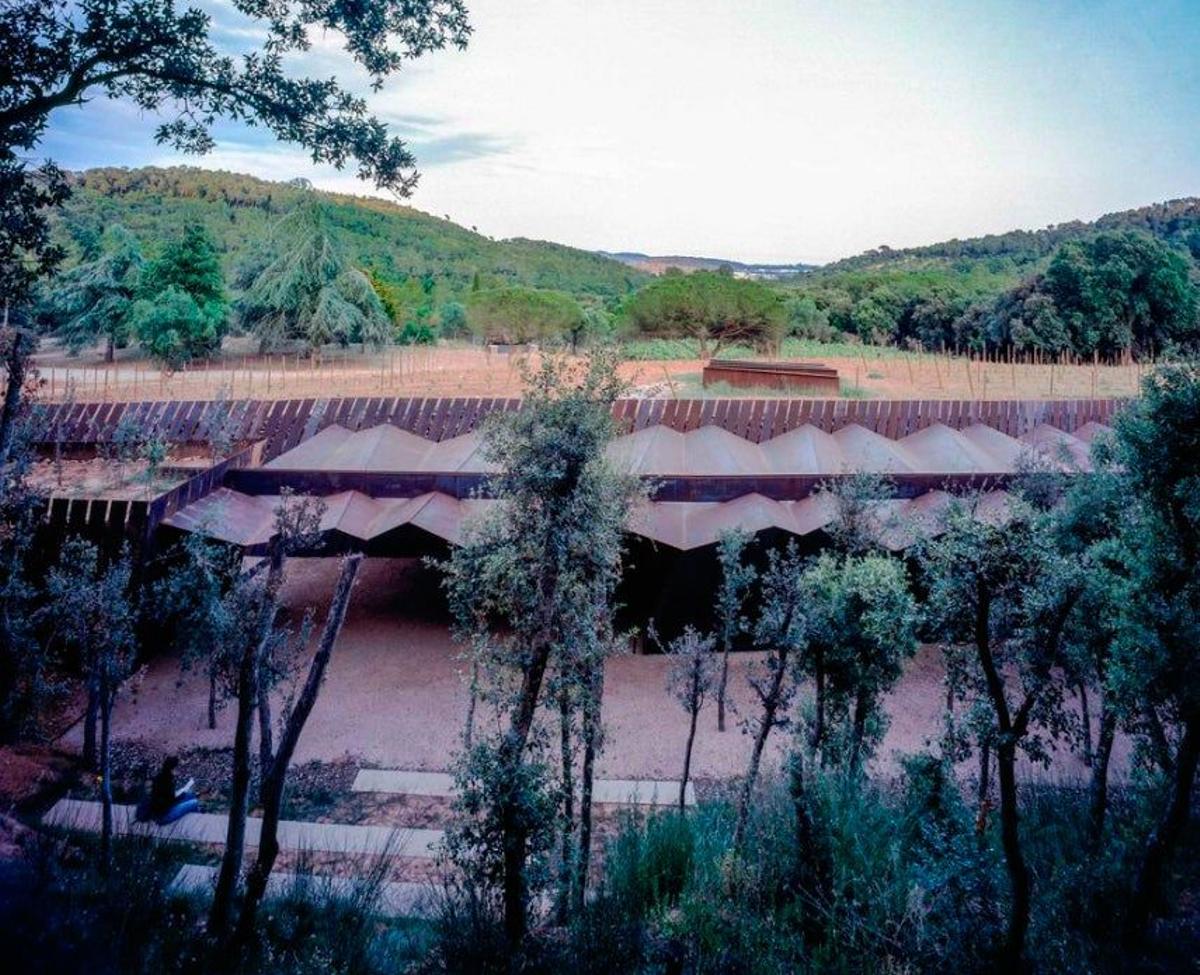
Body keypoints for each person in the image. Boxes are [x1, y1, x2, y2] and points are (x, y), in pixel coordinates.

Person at [135, 756, 200, 825]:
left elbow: (165, 797)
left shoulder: (160, 777)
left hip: (160, 810)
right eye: (179, 768)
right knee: (195, 802)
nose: (180, 771)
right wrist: (181, 794)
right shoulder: (168, 780)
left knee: (190, 795)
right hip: (163, 815)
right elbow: (169, 800)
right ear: (173, 768)